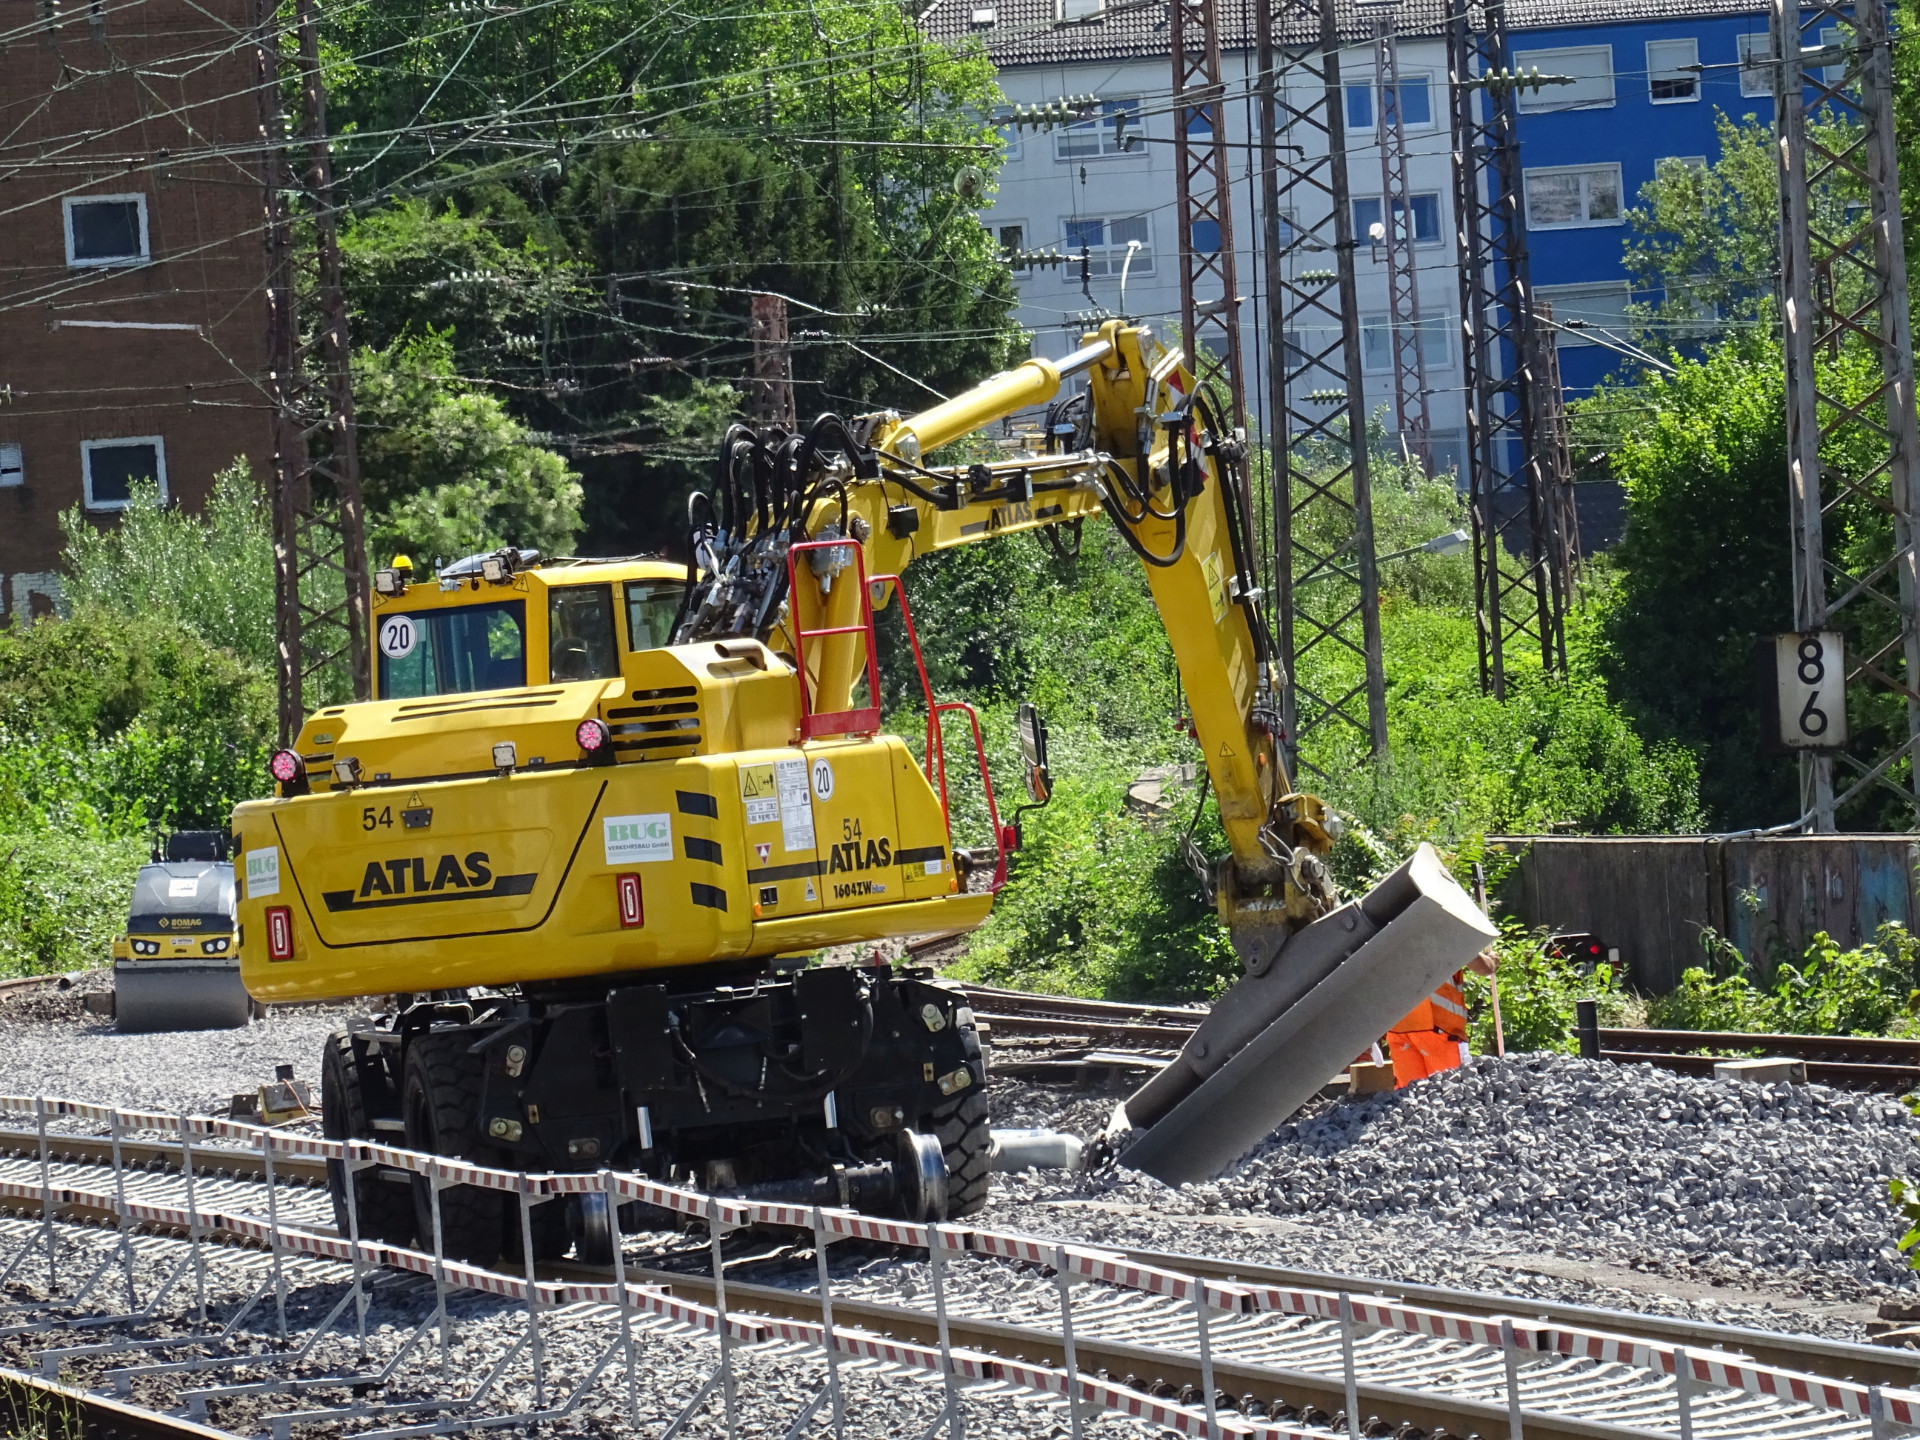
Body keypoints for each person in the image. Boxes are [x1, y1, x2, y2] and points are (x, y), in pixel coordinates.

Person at [1384, 949, 1497, 1086]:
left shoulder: (1385, 938)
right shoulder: (1444, 935)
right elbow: (1483, 967)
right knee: (1451, 1091)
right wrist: (1492, 961)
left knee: (1410, 1094)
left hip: (1398, 1026)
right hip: (1437, 1027)